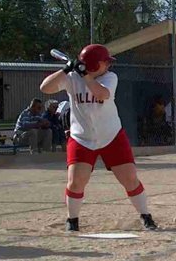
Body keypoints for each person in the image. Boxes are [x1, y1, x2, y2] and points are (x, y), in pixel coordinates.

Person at [40, 43, 157, 232]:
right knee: (76, 181)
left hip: (112, 135)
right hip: (81, 137)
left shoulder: (110, 77)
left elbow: (101, 94)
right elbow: (45, 88)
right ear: (95, 64)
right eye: (105, 62)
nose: (108, 65)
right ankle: (72, 221)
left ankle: (146, 216)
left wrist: (85, 74)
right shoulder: (72, 78)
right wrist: (67, 69)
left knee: (130, 178)